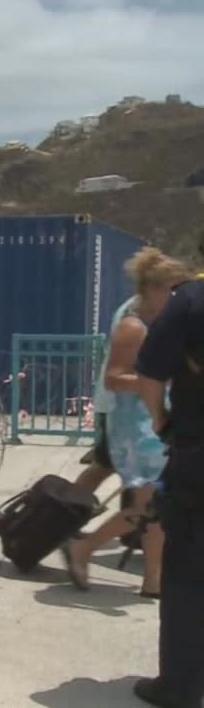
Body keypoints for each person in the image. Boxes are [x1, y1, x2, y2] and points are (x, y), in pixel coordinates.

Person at [62, 249, 190, 598]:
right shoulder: (133, 326)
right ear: (152, 289)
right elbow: (115, 378)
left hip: (152, 424)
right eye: (172, 290)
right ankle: (84, 548)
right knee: (148, 506)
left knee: (157, 509)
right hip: (134, 429)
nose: (178, 297)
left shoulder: (163, 325)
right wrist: (154, 379)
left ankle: (153, 580)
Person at [131, 274, 204, 707]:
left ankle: (179, 685)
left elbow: (149, 375)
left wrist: (162, 422)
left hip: (199, 454)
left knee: (188, 571)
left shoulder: (191, 299)